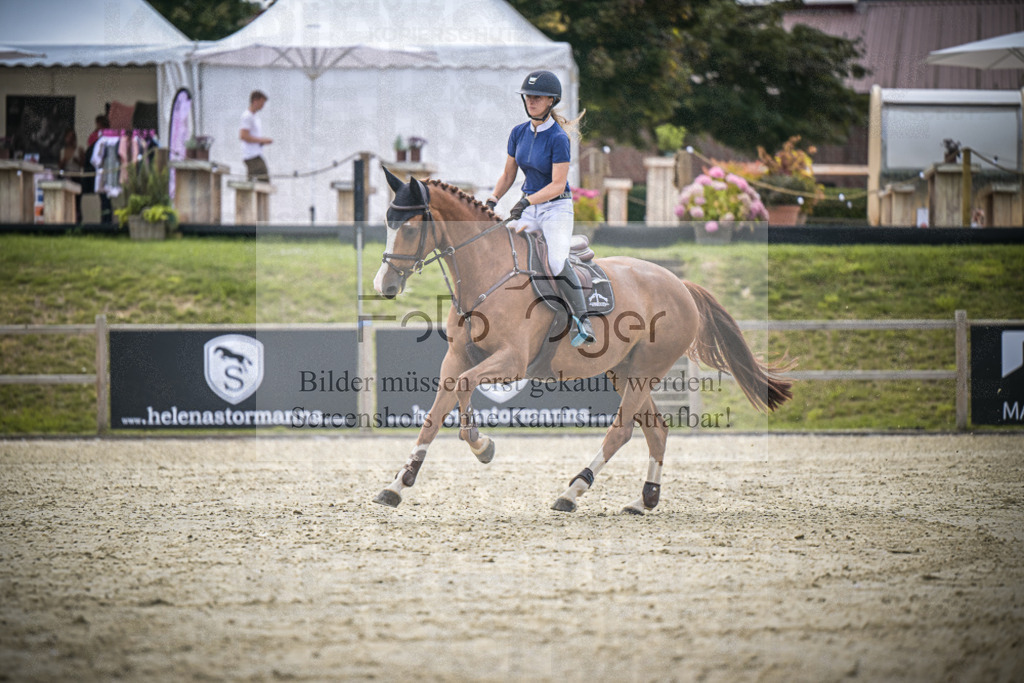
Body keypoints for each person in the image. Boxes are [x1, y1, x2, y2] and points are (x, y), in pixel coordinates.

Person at [486, 70, 595, 347]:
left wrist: (525, 201)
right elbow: (508, 175)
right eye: (528, 97)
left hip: (556, 209)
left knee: (557, 262)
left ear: (551, 101)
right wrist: (492, 199)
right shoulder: (518, 133)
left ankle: (583, 320)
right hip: (530, 207)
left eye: (537, 97)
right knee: (501, 248)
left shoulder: (559, 138)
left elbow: (558, 185)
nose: (531, 101)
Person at [239, 90, 272, 181]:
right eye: (262, 102)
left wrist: (260, 142)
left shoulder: (254, 117)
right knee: (263, 180)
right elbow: (243, 136)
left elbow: (251, 136)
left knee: (254, 182)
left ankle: (250, 194)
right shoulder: (247, 116)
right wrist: (262, 140)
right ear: (255, 101)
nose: (263, 105)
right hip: (251, 155)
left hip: (256, 153)